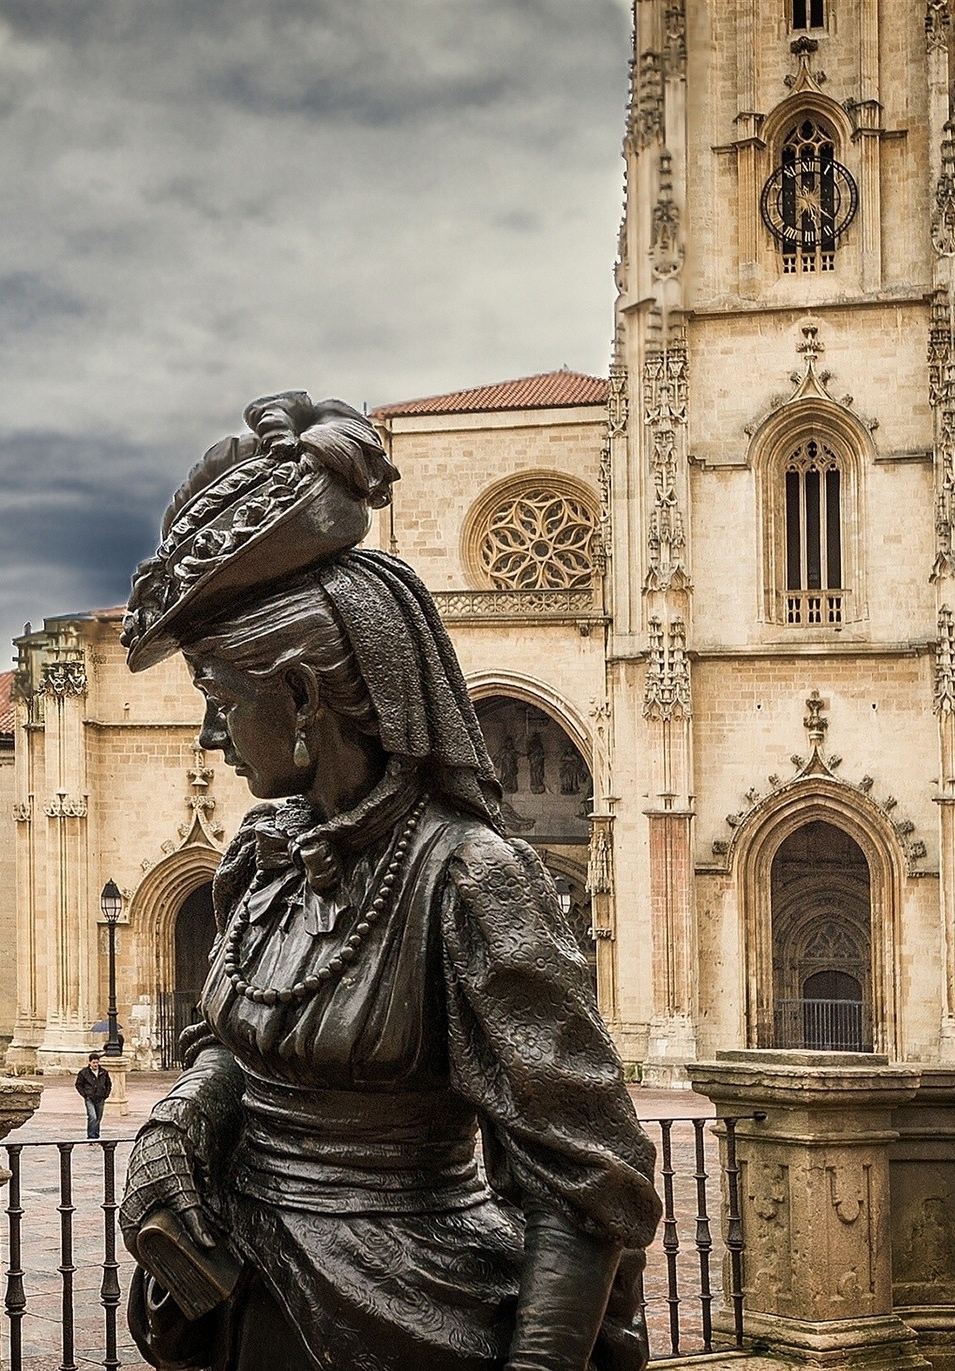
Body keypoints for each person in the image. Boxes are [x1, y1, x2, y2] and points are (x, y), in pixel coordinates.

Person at [116, 393, 662, 1371]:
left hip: (410, 1316)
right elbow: (247, 1049)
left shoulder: (473, 883)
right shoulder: (263, 855)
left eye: (220, 701)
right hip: (247, 1305)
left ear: (299, 695)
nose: (208, 738)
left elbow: (586, 1178)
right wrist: (180, 1118)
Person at [77, 1052, 113, 1138]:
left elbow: (108, 1084)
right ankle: (91, 1136)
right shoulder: (84, 1073)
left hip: (100, 1098)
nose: (96, 1064)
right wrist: (85, 1094)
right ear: (89, 1062)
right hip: (89, 1098)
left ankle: (96, 1135)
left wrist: (106, 1094)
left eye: (97, 1062)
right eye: (94, 1062)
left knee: (98, 1117)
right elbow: (78, 1084)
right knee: (92, 1116)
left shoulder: (103, 1072)